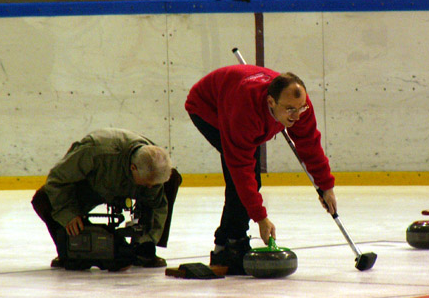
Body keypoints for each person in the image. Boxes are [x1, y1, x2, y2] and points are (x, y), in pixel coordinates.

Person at [185, 65, 336, 274]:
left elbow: (309, 143)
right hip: (208, 107)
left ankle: (231, 239)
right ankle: (228, 245)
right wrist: (260, 217)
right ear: (271, 101)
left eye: (301, 108)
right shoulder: (244, 113)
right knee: (240, 178)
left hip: (238, 101)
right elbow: (241, 169)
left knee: (248, 179)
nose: (297, 116)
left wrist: (325, 186)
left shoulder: (299, 105)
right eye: (290, 109)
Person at [32, 128, 181, 270]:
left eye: (153, 184)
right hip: (91, 186)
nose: (150, 187)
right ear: (133, 168)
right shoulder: (94, 151)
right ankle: (74, 247)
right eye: (148, 183)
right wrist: (68, 214)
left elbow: (158, 204)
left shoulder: (153, 162)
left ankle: (143, 251)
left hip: (128, 184)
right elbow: (57, 179)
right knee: (42, 199)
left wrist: (148, 239)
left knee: (173, 178)